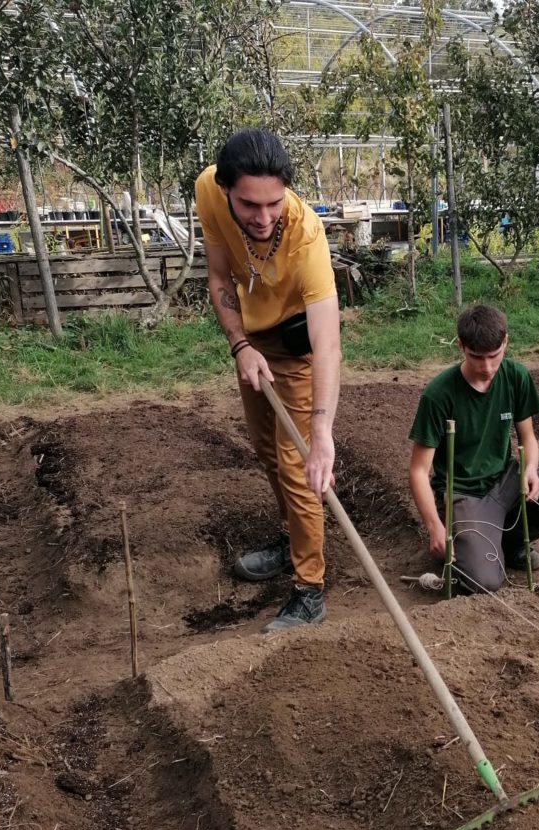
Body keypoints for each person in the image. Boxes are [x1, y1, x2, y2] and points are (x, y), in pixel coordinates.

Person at [196, 128, 341, 633]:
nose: (262, 218)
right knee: (264, 449)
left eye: (273, 204)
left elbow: (328, 344)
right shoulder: (207, 192)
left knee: (299, 462)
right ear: (226, 189)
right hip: (251, 342)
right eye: (249, 205)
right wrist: (239, 343)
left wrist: (322, 434)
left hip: (297, 347)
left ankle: (309, 589)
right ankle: (290, 539)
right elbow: (218, 275)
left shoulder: (307, 236)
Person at [408, 305, 539, 594]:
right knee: (483, 582)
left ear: (505, 342)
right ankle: (475, 544)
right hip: (464, 493)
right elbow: (418, 470)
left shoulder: (515, 376)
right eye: (477, 357)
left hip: (505, 479)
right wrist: (434, 526)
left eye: (494, 356)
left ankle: (510, 541)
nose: (487, 368)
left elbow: (528, 437)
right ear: (461, 346)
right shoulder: (439, 394)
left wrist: (530, 468)